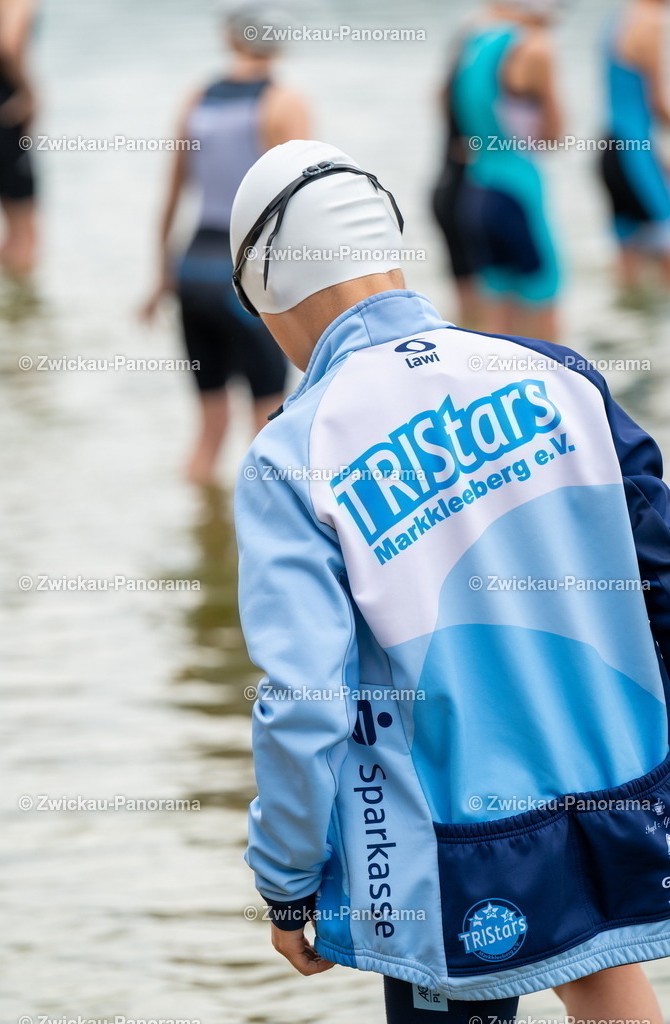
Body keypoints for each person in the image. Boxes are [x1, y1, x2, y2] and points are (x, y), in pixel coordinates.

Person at [231, 139, 670, 1023]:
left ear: (270, 288)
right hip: (620, 794)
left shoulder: (293, 452)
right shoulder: (557, 375)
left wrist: (283, 876)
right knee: (605, 981)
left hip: (441, 841)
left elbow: (306, 695)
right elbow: (659, 583)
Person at [141, 0, 309, 485]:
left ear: (231, 38)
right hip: (245, 278)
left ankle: (202, 531)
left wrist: (161, 277)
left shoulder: (198, 98)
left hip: (193, 270)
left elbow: (172, 193)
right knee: (270, 428)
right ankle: (256, 552)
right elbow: (298, 201)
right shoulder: (285, 101)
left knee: (208, 430)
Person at [450, 0, 563, 342]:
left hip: (476, 188)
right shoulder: (535, 45)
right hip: (518, 188)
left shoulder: (473, 40)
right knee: (546, 311)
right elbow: (553, 135)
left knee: (496, 320)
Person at [600, 0, 670, 293]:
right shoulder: (654, 21)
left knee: (628, 262)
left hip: (611, 147)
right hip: (637, 154)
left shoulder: (621, 15)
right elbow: (660, 103)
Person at [431, 31, 484, 329]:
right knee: (492, 300)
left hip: (444, 190)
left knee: (467, 300)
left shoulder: (451, 90)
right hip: (466, 195)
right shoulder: (479, 98)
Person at [0, 0, 38, 275]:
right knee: (25, 235)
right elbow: (6, 45)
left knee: (9, 235)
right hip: (9, 118)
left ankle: (6, 309)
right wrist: (29, 92)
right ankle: (22, 314)